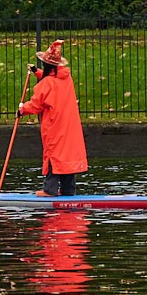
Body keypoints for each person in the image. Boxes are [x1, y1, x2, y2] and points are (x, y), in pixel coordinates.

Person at [18, 39, 89, 197]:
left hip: (54, 126)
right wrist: (36, 72)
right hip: (69, 127)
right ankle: (68, 191)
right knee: (66, 156)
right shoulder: (66, 78)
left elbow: (37, 104)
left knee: (53, 154)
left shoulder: (48, 83)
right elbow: (51, 79)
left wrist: (22, 110)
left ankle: (49, 190)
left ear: (47, 65)